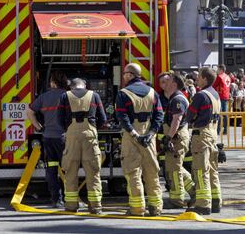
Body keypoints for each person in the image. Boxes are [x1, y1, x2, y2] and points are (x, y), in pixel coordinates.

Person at [115, 63, 164, 217]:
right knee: (151, 171)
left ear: (130, 75)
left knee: (133, 171)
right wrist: (151, 133)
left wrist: (134, 134)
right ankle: (156, 207)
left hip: (132, 136)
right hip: (149, 135)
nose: (123, 76)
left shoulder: (123, 94)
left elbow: (122, 117)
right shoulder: (152, 92)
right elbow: (159, 115)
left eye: (124, 73)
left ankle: (137, 208)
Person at [58, 78, 106, 214]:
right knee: (93, 172)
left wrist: (68, 130)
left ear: (71, 86)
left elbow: (59, 118)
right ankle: (95, 206)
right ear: (84, 85)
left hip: (71, 137)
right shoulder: (94, 95)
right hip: (90, 137)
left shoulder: (64, 96)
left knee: (70, 172)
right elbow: (102, 118)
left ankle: (71, 206)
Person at [27, 71, 68, 208]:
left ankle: (56, 199)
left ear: (53, 83)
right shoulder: (68, 96)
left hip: (48, 138)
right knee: (67, 169)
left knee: (51, 168)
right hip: (64, 138)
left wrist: (38, 127)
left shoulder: (44, 97)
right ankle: (69, 198)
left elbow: (30, 112)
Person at [186, 67, 221, 215]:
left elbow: (189, 116)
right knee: (212, 170)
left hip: (201, 135)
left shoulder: (200, 96)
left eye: (199, 77)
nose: (196, 79)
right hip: (213, 133)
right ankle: (215, 201)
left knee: (200, 170)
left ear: (205, 79)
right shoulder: (215, 94)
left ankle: (203, 204)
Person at [162, 72, 195, 208]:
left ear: (174, 84)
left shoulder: (177, 99)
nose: (165, 83)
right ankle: (194, 192)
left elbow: (177, 120)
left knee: (174, 169)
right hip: (177, 137)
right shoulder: (174, 98)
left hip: (177, 138)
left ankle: (177, 200)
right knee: (176, 168)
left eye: (168, 81)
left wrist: (169, 137)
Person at [212, 64, 230, 134]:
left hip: (220, 96)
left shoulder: (219, 77)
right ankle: (225, 129)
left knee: (219, 113)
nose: (217, 71)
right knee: (225, 113)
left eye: (218, 69)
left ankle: (218, 130)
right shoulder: (228, 76)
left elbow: (214, 86)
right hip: (226, 96)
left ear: (221, 70)